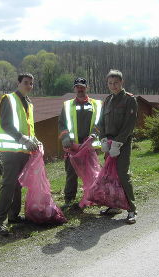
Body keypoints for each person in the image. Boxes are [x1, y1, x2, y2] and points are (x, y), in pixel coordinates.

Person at [0, 73, 40, 236]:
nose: (28, 86)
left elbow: (28, 127)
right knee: (8, 185)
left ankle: (13, 216)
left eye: (31, 84)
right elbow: (6, 124)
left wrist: (35, 140)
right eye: (25, 82)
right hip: (10, 150)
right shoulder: (9, 99)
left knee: (18, 184)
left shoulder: (29, 103)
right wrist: (22, 138)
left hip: (24, 150)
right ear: (18, 83)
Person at [96, 69, 138, 224]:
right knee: (110, 176)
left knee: (122, 175)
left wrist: (118, 143)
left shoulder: (129, 100)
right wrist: (103, 139)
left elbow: (129, 124)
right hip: (109, 143)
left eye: (116, 83)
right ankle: (114, 206)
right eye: (110, 83)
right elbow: (101, 122)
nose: (113, 86)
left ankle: (132, 209)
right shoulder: (107, 100)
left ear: (122, 83)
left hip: (123, 143)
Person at [58, 77, 102, 208]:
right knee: (71, 174)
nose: (80, 89)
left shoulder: (97, 104)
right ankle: (69, 199)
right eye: (77, 86)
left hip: (89, 147)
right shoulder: (67, 105)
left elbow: (101, 122)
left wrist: (95, 134)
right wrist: (65, 137)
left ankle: (94, 197)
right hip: (73, 147)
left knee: (92, 174)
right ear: (74, 88)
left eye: (82, 86)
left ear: (87, 88)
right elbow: (61, 123)